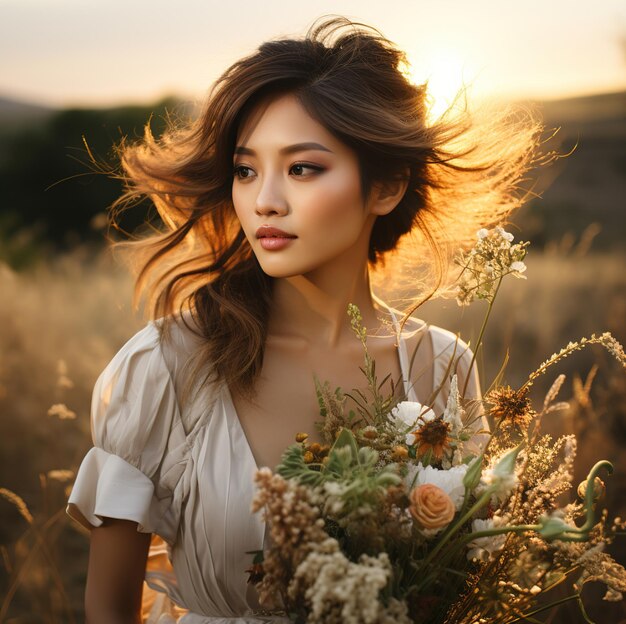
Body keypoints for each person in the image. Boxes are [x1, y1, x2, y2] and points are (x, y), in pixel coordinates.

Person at [66, 15, 543, 624]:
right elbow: (107, 611)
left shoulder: (441, 365)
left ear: (387, 185)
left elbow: (461, 586)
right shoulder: (167, 366)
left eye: (302, 168)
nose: (264, 199)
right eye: (245, 170)